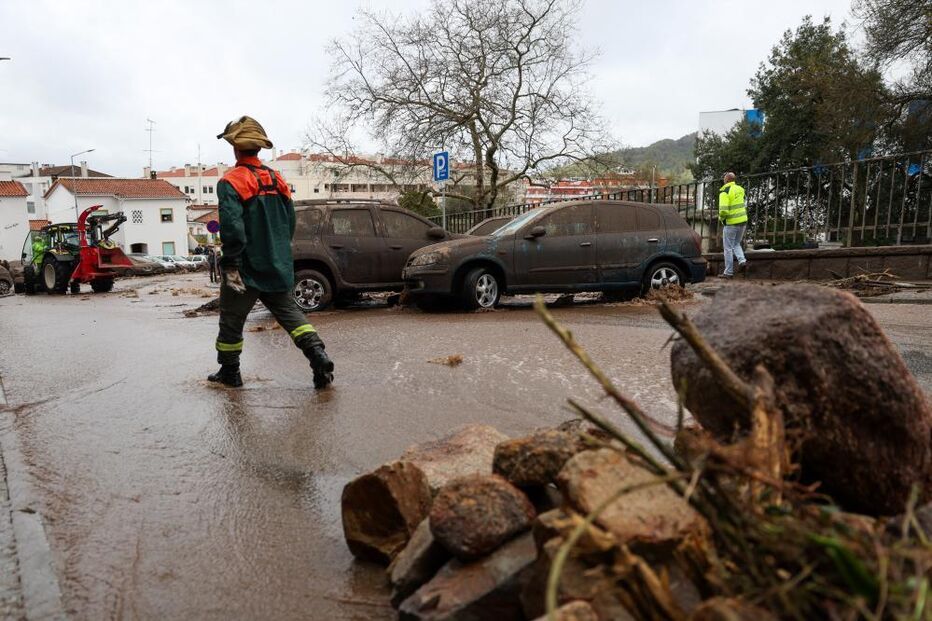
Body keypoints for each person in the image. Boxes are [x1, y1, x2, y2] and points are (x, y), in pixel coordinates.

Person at [208, 116, 334, 389]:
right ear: (258, 148)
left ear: (235, 148)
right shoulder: (278, 180)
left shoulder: (231, 181)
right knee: (290, 314)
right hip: (277, 265)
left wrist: (230, 263)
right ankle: (318, 355)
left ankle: (230, 373)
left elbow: (232, 229)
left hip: (245, 267)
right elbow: (289, 223)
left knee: (232, 319)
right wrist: (277, 252)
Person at [718, 172, 748, 278]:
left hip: (731, 223)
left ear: (725, 180)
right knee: (736, 243)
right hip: (743, 221)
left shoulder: (724, 191)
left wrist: (721, 219)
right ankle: (742, 261)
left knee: (728, 248)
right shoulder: (740, 189)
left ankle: (728, 272)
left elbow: (724, 211)